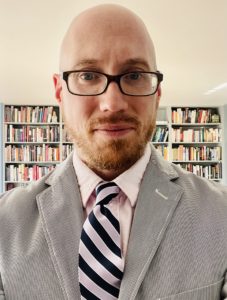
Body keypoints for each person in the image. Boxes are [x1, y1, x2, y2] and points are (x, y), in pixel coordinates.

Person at [0, 4, 227, 300]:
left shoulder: (220, 215)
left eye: (134, 75)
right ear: (59, 92)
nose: (113, 103)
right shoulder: (6, 224)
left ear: (157, 92)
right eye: (88, 75)